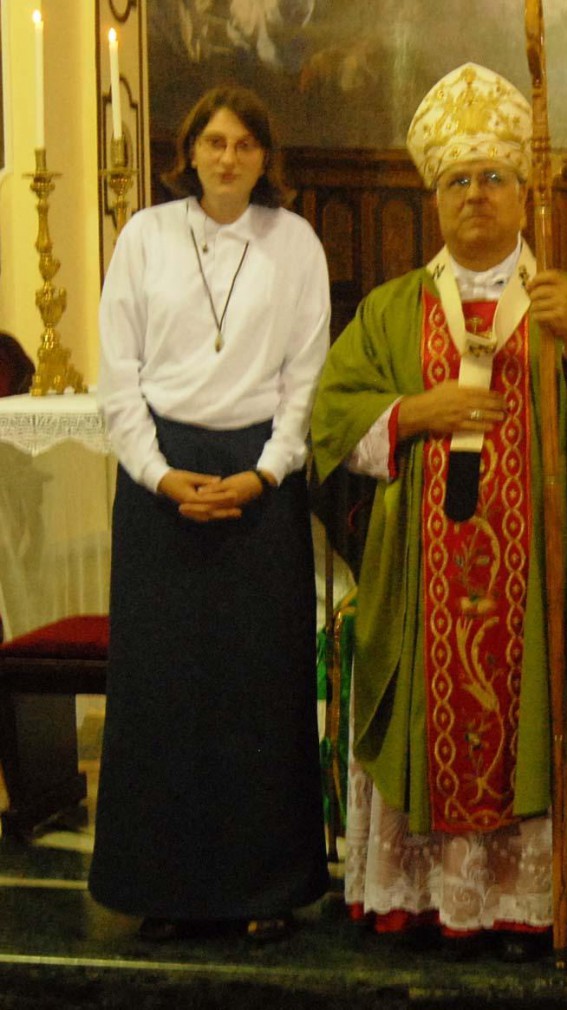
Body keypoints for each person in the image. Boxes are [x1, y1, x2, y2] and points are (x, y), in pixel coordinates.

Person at [311, 63, 567, 961]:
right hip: (421, 574)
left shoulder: (562, 301)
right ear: (434, 198)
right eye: (458, 181)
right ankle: (426, 900)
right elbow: (331, 419)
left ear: (523, 193)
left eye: (493, 178)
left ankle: (521, 902)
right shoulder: (392, 309)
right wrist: (408, 415)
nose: (476, 196)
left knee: (529, 724)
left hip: (535, 569)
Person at [90, 85, 331, 942]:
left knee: (259, 692)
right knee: (165, 692)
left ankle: (265, 889)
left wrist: (266, 473)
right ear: (187, 150)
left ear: (267, 156)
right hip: (162, 482)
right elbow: (117, 373)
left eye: (244, 143)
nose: (228, 156)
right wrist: (158, 474)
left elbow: (308, 373)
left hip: (258, 482)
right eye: (213, 141)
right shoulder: (146, 236)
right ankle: (160, 885)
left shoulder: (294, 242)